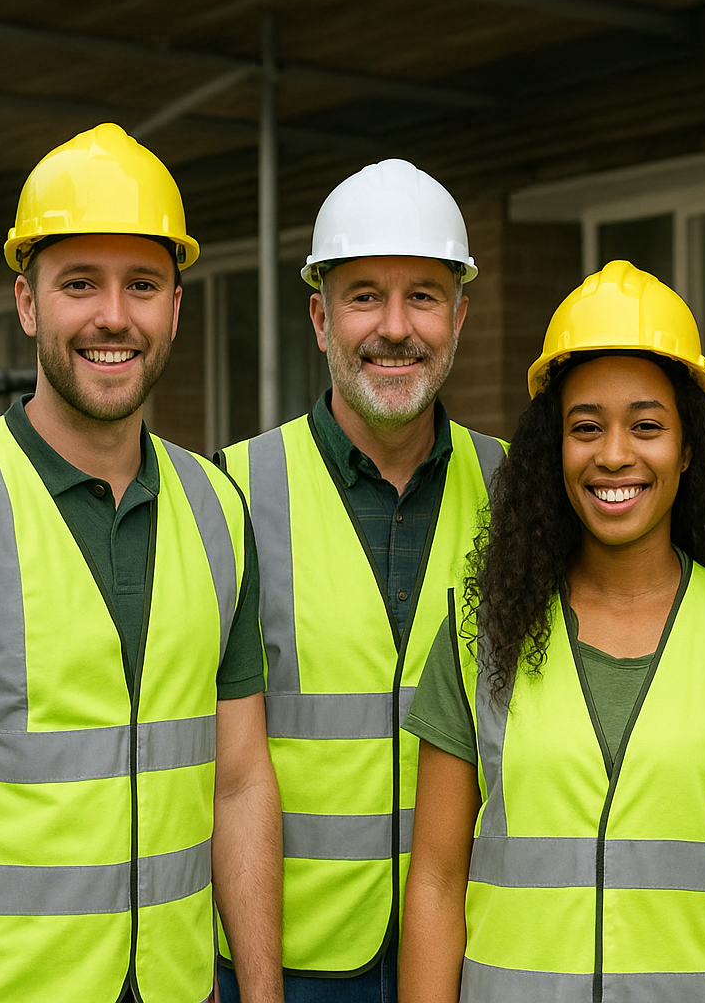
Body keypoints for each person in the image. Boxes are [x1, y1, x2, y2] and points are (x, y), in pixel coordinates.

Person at [399, 260, 705, 1002]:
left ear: (687, 449)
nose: (615, 454)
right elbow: (436, 882)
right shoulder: (478, 634)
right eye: (586, 427)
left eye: (647, 426)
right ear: (554, 450)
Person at [0, 123, 282, 1002]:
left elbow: (239, 784)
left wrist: (262, 992)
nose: (115, 316)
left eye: (143, 284)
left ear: (176, 309)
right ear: (27, 303)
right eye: (80, 282)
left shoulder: (217, 508)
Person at [217, 159, 504, 1000]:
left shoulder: (520, 493)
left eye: (424, 296)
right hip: (288, 962)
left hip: (473, 952)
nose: (395, 327)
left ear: (459, 316)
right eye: (365, 296)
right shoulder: (227, 493)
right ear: (320, 318)